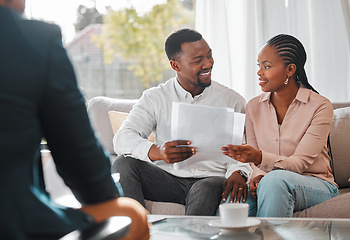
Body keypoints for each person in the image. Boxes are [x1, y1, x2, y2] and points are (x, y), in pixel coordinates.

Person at [0, 1, 149, 239]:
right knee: (133, 215)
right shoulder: (34, 40)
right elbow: (80, 159)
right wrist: (109, 200)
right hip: (13, 225)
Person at [112, 28, 251, 216]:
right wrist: (158, 152)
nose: (208, 64)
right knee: (123, 164)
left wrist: (239, 172)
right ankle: (138, 229)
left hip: (210, 180)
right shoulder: (155, 97)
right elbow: (122, 138)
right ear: (175, 65)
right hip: (167, 180)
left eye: (209, 56)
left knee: (208, 186)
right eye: (198, 60)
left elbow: (243, 149)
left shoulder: (233, 100)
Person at [222, 34, 339, 217]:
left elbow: (299, 164)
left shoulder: (320, 106)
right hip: (270, 181)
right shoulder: (253, 107)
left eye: (267, 66)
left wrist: (260, 158)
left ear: (290, 69)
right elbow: (253, 161)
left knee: (275, 181)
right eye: (259, 65)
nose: (259, 72)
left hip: (315, 184)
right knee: (233, 201)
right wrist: (257, 176)